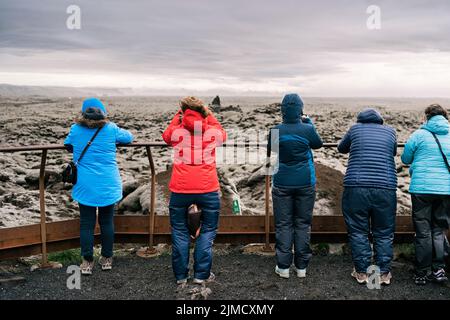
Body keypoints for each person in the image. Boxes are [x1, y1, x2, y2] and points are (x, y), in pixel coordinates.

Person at [64, 98, 133, 275]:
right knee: (107, 222)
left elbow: (67, 144)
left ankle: (87, 262)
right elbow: (129, 137)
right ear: (103, 113)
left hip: (85, 185)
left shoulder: (76, 128)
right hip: (108, 184)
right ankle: (107, 259)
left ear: (83, 113)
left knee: (86, 224)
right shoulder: (111, 129)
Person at [162, 96, 226, 285]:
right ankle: (201, 275)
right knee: (207, 231)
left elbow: (166, 136)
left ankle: (181, 276)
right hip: (208, 188)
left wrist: (179, 116)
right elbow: (223, 135)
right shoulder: (210, 131)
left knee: (180, 231)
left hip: (181, 189)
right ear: (204, 112)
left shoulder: (178, 130)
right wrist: (209, 116)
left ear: (183, 112)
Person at [337, 108, 397, 285]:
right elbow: (392, 152)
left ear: (360, 119)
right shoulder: (391, 131)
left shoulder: (355, 129)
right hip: (386, 187)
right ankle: (383, 274)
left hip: (356, 187)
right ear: (380, 121)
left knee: (358, 230)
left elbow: (341, 148)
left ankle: (362, 273)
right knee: (384, 232)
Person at [267, 93, 323, 279]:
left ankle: (283, 267)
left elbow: (272, 155)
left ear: (282, 111)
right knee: (302, 224)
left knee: (283, 224)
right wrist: (309, 123)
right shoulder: (307, 129)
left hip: (282, 182)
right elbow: (318, 144)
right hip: (305, 182)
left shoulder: (275, 130)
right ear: (300, 110)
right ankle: (301, 267)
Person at [401, 104, 450, 285]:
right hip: (446, 189)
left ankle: (422, 272)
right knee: (438, 230)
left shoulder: (419, 135)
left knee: (423, 232)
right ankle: (438, 270)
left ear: (427, 117)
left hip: (421, 190)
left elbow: (405, 159)